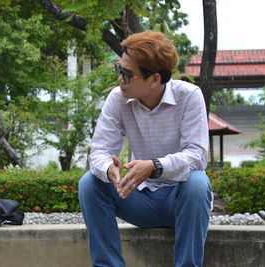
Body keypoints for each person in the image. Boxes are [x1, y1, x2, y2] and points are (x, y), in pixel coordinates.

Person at [78, 30, 212, 267]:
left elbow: (197, 156)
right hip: (136, 198)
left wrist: (155, 167)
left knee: (198, 183)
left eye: (127, 74)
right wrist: (109, 169)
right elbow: (99, 151)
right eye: (119, 69)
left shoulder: (189, 96)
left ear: (154, 79)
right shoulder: (117, 98)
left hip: (179, 201)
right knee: (89, 183)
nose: (120, 79)